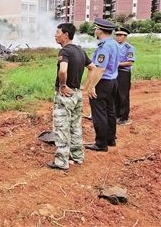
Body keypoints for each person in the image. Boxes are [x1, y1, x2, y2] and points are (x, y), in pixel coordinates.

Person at [47, 23, 96, 171]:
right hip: (77, 94)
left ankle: (62, 161)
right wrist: (85, 86)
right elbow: (92, 68)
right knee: (75, 126)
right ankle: (78, 156)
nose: (55, 35)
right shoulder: (80, 50)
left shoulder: (65, 51)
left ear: (66, 34)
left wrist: (62, 85)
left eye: (58, 32)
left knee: (62, 127)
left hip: (65, 95)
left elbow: (63, 71)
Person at [85, 18, 120, 152]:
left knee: (99, 113)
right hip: (113, 81)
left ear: (100, 30)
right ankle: (111, 139)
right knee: (110, 111)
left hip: (103, 82)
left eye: (96, 28)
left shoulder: (104, 47)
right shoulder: (115, 44)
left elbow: (100, 69)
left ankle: (100, 144)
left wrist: (92, 86)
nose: (95, 30)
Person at [114, 27, 135, 125]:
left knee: (123, 95)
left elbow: (130, 63)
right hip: (114, 73)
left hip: (123, 73)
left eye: (120, 35)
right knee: (115, 94)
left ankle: (124, 117)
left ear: (125, 36)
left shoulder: (129, 48)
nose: (118, 37)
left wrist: (117, 64)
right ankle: (116, 115)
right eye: (117, 35)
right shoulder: (114, 46)